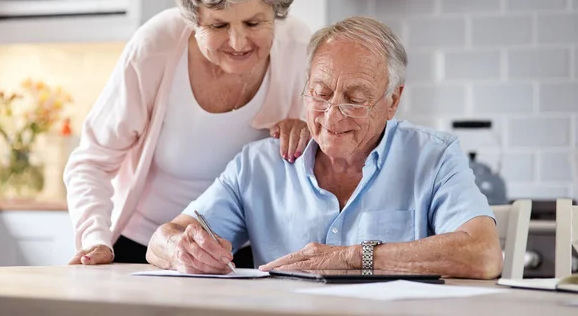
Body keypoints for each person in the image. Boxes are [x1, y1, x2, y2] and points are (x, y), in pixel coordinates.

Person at [146, 16, 503, 279]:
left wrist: (351, 258)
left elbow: (483, 254)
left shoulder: (433, 157)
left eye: (355, 98)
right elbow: (163, 239)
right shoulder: (259, 165)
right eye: (320, 93)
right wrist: (182, 251)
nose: (332, 115)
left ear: (393, 100)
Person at [64, 0, 312, 266]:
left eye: (253, 22)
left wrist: (310, 137)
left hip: (248, 253)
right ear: (194, 18)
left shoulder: (299, 48)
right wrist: (96, 236)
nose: (238, 42)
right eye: (219, 25)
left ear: (276, 13)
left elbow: (329, 163)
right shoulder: (157, 47)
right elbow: (91, 161)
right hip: (145, 247)